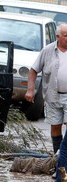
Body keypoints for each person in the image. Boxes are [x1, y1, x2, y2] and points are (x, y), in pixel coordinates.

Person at [25, 23, 67, 154]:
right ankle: (57, 158)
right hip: (52, 95)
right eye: (66, 35)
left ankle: (64, 157)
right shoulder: (47, 51)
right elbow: (33, 70)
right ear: (58, 37)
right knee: (55, 126)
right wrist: (30, 89)